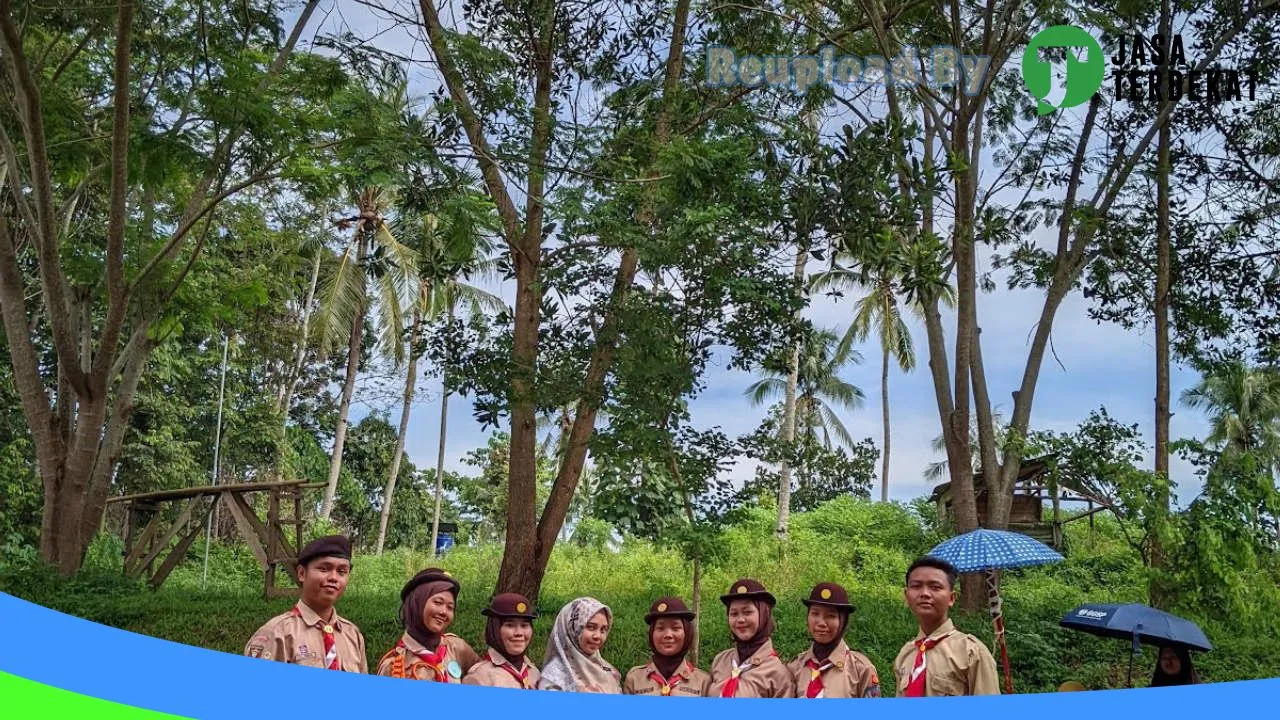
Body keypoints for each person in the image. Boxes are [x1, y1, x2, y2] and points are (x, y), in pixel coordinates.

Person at [243, 535, 368, 672]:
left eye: (342, 571)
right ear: (302, 573)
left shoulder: (352, 635)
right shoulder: (278, 633)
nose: (333, 577)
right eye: (324, 569)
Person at [893, 556, 999, 696]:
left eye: (935, 587)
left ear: (951, 598)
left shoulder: (972, 653)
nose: (924, 593)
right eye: (916, 586)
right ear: (906, 595)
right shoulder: (905, 654)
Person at [376, 567, 481, 681]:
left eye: (450, 607)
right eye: (438, 602)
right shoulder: (393, 666)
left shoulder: (456, 648)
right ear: (417, 603)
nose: (444, 612)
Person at [788, 582, 881, 698]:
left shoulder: (861, 670)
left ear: (843, 621)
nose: (821, 623)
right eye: (815, 613)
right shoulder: (794, 668)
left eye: (831, 616)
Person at [707, 578, 795, 697]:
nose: (740, 620)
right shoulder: (720, 661)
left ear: (764, 614)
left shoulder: (778, 673)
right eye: (734, 614)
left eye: (747, 612)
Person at [623, 597, 712, 696]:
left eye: (675, 628)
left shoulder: (703, 681)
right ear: (652, 633)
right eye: (660, 628)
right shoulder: (634, 678)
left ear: (687, 633)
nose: (668, 635)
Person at [538, 597, 622, 693]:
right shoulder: (554, 677)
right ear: (572, 628)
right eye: (591, 627)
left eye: (603, 630)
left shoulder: (606, 669)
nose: (598, 636)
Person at [463, 592, 542, 689]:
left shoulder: (534, 673)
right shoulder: (479, 678)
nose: (519, 633)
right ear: (494, 629)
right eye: (510, 625)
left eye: (524, 625)